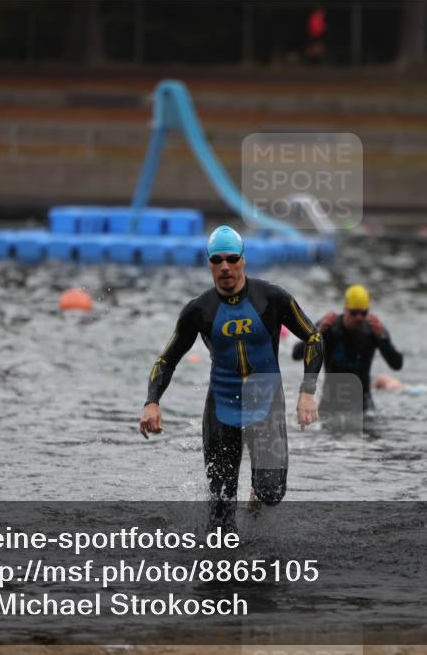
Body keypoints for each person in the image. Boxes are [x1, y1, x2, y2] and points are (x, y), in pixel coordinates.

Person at [140, 226, 323, 529]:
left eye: (231, 258)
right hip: (222, 407)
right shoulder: (199, 310)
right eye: (217, 260)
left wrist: (307, 392)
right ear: (209, 264)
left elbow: (314, 337)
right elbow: (166, 358)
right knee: (221, 513)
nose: (225, 266)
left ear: (243, 260)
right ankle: (223, 571)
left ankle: (257, 492)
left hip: (266, 404)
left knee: (271, 492)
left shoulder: (272, 298)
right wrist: (152, 402)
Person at [291, 284, 403, 420]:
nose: (359, 317)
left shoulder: (374, 330)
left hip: (363, 409)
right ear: (345, 310)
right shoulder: (329, 326)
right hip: (330, 407)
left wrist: (383, 340)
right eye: (354, 312)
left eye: (364, 313)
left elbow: (397, 364)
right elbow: (296, 354)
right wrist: (317, 333)